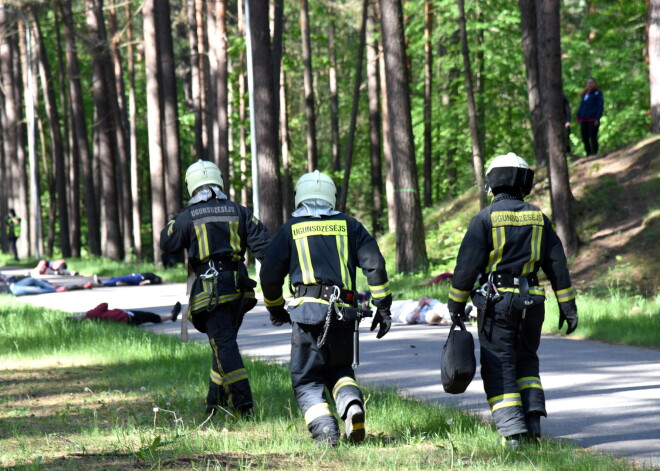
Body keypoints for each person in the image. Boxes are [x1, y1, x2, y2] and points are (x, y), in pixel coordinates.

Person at [446, 153, 578, 449]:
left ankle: (512, 433)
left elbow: (466, 267)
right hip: (533, 303)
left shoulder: (484, 218)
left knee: (499, 363)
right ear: (524, 183)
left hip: (498, 305)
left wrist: (455, 305)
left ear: (492, 183)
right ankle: (532, 422)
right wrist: (568, 307)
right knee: (526, 359)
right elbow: (557, 266)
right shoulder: (539, 217)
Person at [259, 170, 393, 447]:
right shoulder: (350, 226)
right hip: (344, 313)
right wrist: (383, 307)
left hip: (307, 315)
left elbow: (269, 276)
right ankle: (352, 404)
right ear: (330, 196)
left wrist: (275, 308)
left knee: (306, 379)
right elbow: (375, 266)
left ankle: (325, 433)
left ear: (300, 197)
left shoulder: (289, 230)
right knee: (340, 368)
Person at [160, 159, 271, 419]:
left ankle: (244, 407)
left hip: (211, 292)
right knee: (222, 345)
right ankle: (214, 405)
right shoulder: (240, 212)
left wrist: (176, 220)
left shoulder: (189, 216)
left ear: (191, 186)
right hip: (239, 291)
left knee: (224, 346)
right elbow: (266, 248)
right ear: (219, 180)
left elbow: (168, 242)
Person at [68, 301, 181, 325]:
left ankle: (171, 315)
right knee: (151, 316)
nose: (79, 315)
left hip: (127, 320)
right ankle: (172, 315)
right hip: (127, 317)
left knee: (150, 317)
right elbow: (104, 304)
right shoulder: (91, 315)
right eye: (76, 317)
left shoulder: (91, 323)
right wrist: (88, 312)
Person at [576, 77, 603, 156]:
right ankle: (588, 153)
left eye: (591, 83)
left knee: (593, 136)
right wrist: (578, 115)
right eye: (588, 83)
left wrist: (597, 118)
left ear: (594, 84)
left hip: (593, 119)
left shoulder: (597, 93)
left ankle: (594, 153)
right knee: (584, 137)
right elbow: (582, 105)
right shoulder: (585, 94)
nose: (589, 84)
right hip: (584, 119)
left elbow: (600, 106)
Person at [0, 273, 92, 296]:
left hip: (12, 284)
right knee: (35, 290)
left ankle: (51, 287)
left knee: (31, 280)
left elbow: (4, 277)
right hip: (11, 290)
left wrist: (4, 277)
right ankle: (55, 290)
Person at [93, 272, 162, 287]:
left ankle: (104, 284)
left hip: (137, 278)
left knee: (119, 278)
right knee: (116, 278)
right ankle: (105, 282)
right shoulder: (153, 276)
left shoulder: (154, 277)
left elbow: (157, 280)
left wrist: (146, 281)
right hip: (135, 277)